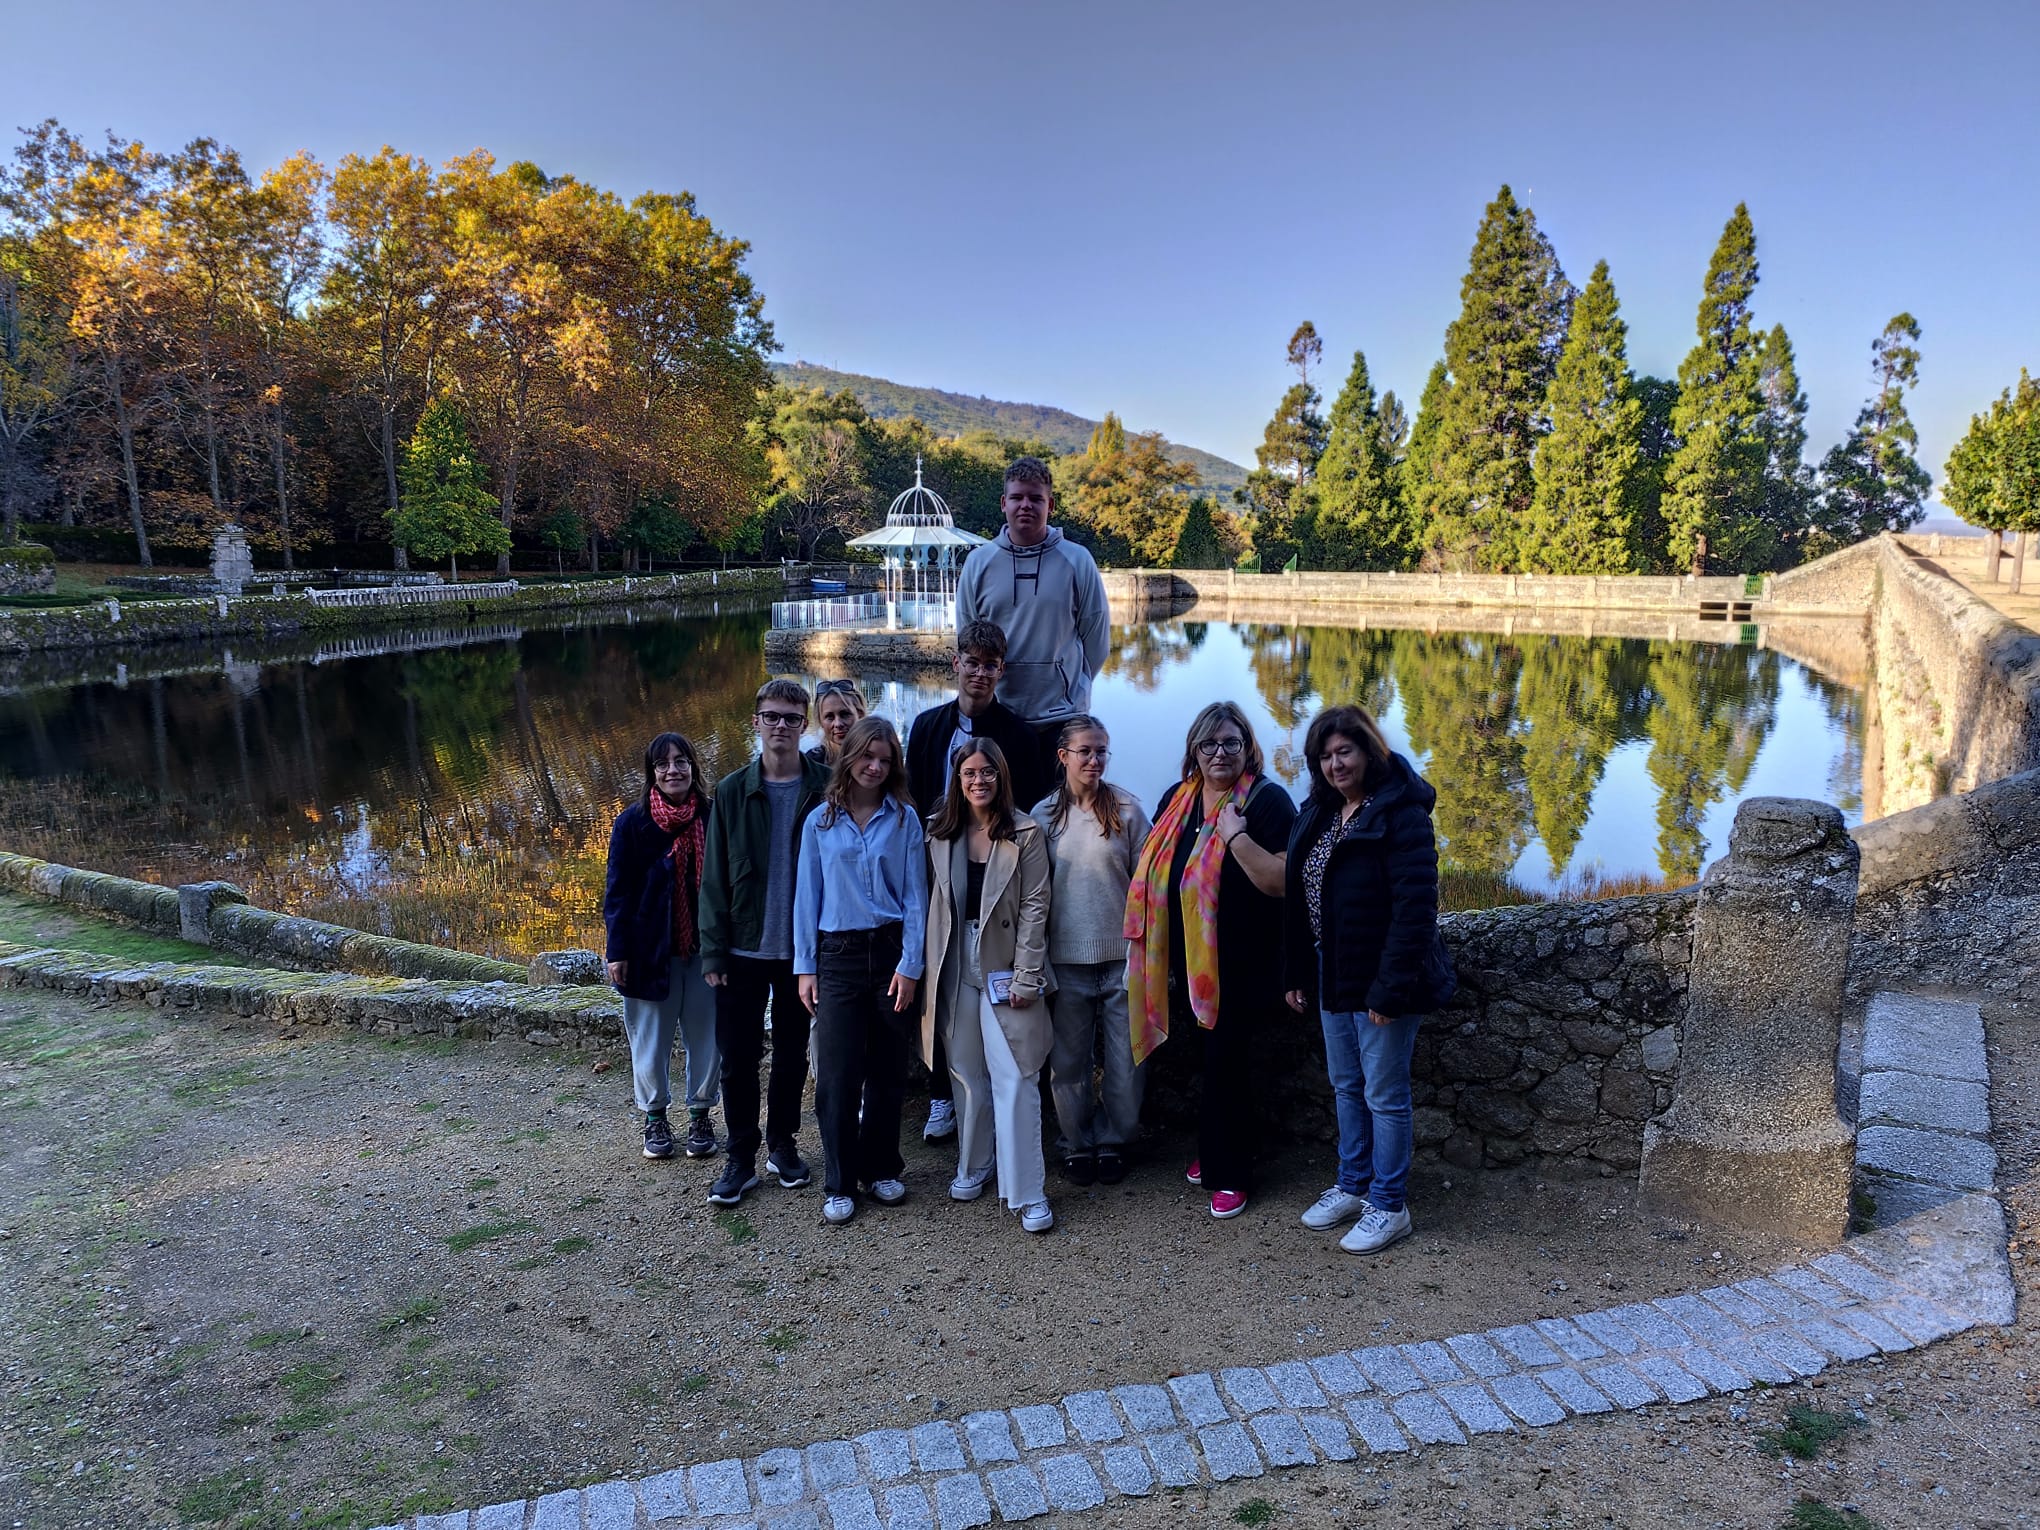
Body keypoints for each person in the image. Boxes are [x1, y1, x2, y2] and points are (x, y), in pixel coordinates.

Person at [1283, 704, 1456, 1256]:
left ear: (1368, 750)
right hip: (1332, 971)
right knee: (1346, 1086)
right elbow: (1297, 892)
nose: (1335, 764)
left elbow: (1415, 911)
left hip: (1382, 979)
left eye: (1344, 752)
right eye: (1325, 756)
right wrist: (1295, 970)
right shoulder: (1321, 809)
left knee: (1385, 1094)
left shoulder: (1401, 813)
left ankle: (1389, 1203)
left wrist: (1388, 990)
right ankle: (1353, 1185)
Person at [1124, 701, 1294, 1219]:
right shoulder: (1179, 799)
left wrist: (1234, 834)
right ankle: (1215, 1148)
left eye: (1231, 743)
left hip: (1243, 963)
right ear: (1193, 752)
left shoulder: (1266, 802)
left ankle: (1233, 1171)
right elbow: (1154, 866)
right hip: (1190, 964)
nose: (1220, 753)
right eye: (1209, 744)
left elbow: (1281, 881)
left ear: (1249, 749)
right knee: (1211, 1063)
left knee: (1229, 1065)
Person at [904, 619, 1047, 1141]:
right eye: (972, 661)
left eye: (990, 665)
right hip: (940, 862)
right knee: (942, 981)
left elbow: (1027, 809)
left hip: (994, 868)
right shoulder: (926, 728)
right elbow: (913, 798)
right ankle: (943, 1093)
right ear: (956, 663)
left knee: (991, 982)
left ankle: (1004, 1092)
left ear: (1001, 671)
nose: (980, 673)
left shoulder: (1020, 735)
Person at [700, 679, 831, 1206]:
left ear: (806, 725)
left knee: (793, 1055)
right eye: (772, 717)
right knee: (737, 1056)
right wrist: (713, 951)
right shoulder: (731, 791)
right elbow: (712, 880)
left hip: (801, 953)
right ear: (756, 722)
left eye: (792, 718)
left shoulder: (827, 786)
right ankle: (740, 1155)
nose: (781, 726)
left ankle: (782, 1144)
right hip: (742, 950)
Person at [794, 716, 929, 1225]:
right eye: (866, 756)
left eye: (885, 759)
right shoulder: (820, 823)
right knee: (837, 1074)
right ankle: (839, 1179)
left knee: (889, 1070)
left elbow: (917, 897)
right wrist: (806, 968)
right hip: (839, 955)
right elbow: (808, 898)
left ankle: (882, 1168)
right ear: (848, 756)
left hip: (892, 950)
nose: (875, 767)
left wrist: (911, 963)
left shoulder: (905, 820)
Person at [923, 738, 1056, 1233]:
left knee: (1017, 1073)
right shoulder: (940, 832)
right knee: (964, 1072)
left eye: (988, 773)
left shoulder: (1026, 833)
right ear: (957, 780)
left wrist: (1027, 975)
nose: (978, 781)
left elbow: (1035, 907)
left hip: (1007, 965)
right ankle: (976, 1163)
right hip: (956, 963)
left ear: (1001, 778)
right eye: (969, 774)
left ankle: (1028, 1190)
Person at [1031, 715, 1150, 1186]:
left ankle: (1115, 1140)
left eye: (1102, 751)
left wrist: (1149, 956)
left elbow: (1149, 889)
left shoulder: (1130, 811)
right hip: (1066, 962)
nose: (1095, 760)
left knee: (1126, 1063)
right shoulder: (1042, 818)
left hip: (1122, 960)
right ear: (1064, 757)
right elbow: (1033, 896)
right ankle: (1076, 1142)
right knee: (1068, 1064)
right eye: (1086, 751)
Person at [603, 732, 721, 1162]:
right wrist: (618, 951)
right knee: (650, 1040)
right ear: (651, 773)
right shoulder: (632, 823)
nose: (673, 770)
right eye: (663, 764)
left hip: (706, 951)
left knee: (706, 1037)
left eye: (681, 761)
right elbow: (617, 892)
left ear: (694, 766)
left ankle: (700, 1114)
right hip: (648, 951)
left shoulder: (713, 815)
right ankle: (655, 1117)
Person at [954, 456, 1110, 743]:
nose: (1025, 505)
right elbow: (966, 640)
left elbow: (1096, 641)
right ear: (1004, 503)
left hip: (1063, 720)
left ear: (1050, 505)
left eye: (1035, 498)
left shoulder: (1077, 560)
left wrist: (1072, 687)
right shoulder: (979, 562)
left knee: (1060, 791)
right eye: (1016, 497)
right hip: (996, 713)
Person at [805, 679, 866, 766]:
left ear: (860, 714)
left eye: (845, 714)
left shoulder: (877, 756)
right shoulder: (812, 763)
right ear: (820, 721)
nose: (838, 724)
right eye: (829, 717)